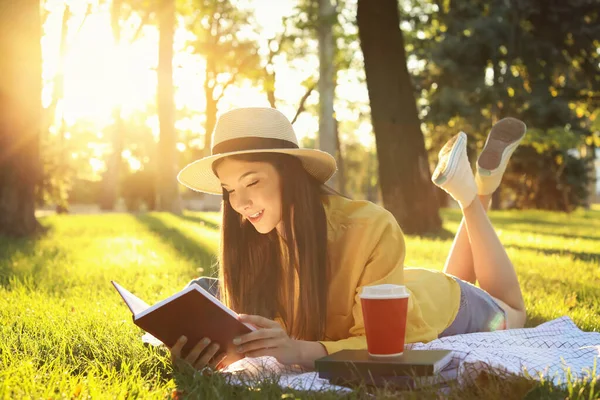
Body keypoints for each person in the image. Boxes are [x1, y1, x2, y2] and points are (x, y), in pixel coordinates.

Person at [168, 107, 527, 372]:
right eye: (229, 190)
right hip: (409, 291)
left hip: (448, 306)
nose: (240, 203)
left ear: (291, 175)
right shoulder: (256, 242)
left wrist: (298, 350)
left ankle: (471, 197)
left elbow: (384, 346)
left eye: (252, 182)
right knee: (455, 275)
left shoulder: (368, 226)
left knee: (513, 312)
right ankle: (480, 187)